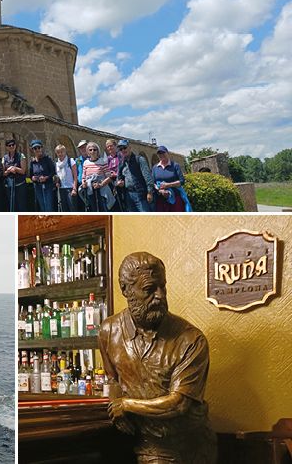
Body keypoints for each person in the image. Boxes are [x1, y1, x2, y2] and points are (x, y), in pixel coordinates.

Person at [100, 252, 217, 464]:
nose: (160, 295)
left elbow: (179, 404)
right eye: (149, 289)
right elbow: (112, 378)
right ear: (126, 290)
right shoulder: (108, 332)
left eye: (162, 286)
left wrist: (126, 405)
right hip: (150, 445)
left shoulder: (190, 339)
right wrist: (115, 403)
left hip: (192, 446)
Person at [116, 139, 154, 212]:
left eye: (125, 147)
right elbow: (119, 177)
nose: (123, 150)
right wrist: (119, 183)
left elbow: (148, 177)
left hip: (140, 194)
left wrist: (149, 192)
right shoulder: (121, 163)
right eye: (121, 149)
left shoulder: (139, 160)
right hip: (128, 195)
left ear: (130, 147)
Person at [152, 145, 193, 212]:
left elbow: (182, 181)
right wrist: (160, 191)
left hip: (176, 197)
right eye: (159, 153)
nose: (161, 155)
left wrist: (169, 185)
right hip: (161, 198)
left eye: (163, 153)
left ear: (168, 153)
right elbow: (153, 183)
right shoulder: (155, 167)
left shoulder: (175, 165)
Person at [81, 141, 114, 212]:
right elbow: (83, 176)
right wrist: (83, 182)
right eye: (90, 150)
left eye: (94, 149)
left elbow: (109, 176)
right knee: (93, 209)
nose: (92, 151)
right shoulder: (86, 163)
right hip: (90, 189)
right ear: (88, 152)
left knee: (103, 209)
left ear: (97, 151)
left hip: (102, 190)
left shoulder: (102, 161)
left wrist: (100, 185)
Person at [29, 139, 56, 212]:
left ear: (41, 148)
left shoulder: (47, 158)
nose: (37, 150)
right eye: (35, 148)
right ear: (32, 149)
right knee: (42, 207)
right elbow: (30, 174)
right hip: (38, 187)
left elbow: (53, 172)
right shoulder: (32, 161)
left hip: (48, 186)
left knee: (49, 207)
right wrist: (32, 178)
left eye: (39, 148)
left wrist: (46, 178)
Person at [3, 138, 28, 212]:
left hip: (20, 184)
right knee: (12, 206)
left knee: (22, 206)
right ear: (6, 147)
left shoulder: (21, 155)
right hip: (9, 185)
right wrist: (8, 170)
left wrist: (15, 168)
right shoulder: (4, 158)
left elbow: (23, 171)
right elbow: (3, 173)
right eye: (9, 145)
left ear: (15, 145)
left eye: (13, 145)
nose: (11, 146)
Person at [106, 138, 127, 212]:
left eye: (111, 146)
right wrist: (110, 173)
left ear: (115, 146)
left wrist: (117, 174)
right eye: (108, 147)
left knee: (124, 202)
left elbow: (125, 167)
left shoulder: (121, 155)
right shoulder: (108, 158)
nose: (109, 148)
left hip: (121, 182)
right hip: (112, 184)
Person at [54, 144, 77, 212]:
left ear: (65, 152)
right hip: (61, 189)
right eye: (58, 152)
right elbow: (56, 176)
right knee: (64, 210)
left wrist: (74, 189)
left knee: (73, 209)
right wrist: (56, 182)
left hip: (70, 188)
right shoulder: (56, 164)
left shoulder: (71, 161)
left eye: (62, 152)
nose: (60, 154)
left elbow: (75, 175)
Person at [75, 140, 89, 211]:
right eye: (81, 148)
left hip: (90, 186)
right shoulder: (77, 160)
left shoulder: (91, 158)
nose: (83, 149)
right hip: (80, 185)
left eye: (84, 147)